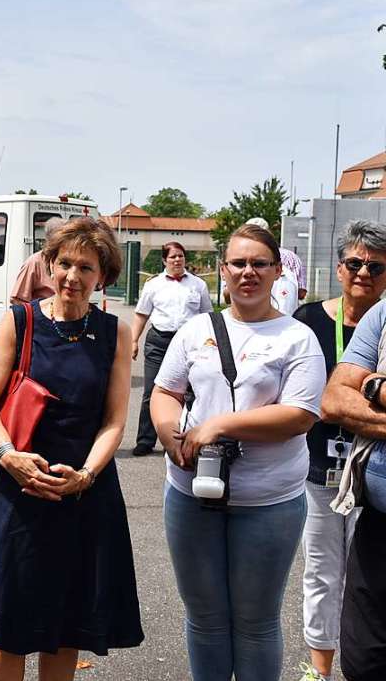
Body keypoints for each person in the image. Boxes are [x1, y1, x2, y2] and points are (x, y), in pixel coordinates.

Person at [0, 217, 143, 681]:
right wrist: (8, 456)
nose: (72, 277)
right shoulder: (20, 320)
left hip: (84, 492)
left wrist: (86, 474)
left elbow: (114, 420)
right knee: (10, 627)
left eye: (86, 267)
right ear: (48, 264)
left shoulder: (114, 332)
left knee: (67, 626)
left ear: (102, 276)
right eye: (64, 263)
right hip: (20, 488)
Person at [151, 223, 326, 681]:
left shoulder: (297, 337)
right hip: (191, 494)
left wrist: (219, 425)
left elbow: (299, 415)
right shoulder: (195, 330)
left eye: (259, 264)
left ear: (276, 272)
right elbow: (165, 391)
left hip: (267, 502)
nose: (248, 272)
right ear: (222, 271)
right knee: (204, 618)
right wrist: (171, 437)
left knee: (255, 622)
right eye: (238, 263)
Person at [293, 220, 386, 681]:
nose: (363, 272)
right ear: (339, 266)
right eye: (354, 262)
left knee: (365, 581)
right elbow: (316, 400)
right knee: (322, 572)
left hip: (370, 473)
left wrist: (356, 399)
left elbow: (339, 401)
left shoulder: (381, 326)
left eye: (376, 266)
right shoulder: (308, 320)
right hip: (319, 467)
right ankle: (319, 669)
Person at [319, 268, 386, 681]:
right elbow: (333, 400)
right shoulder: (382, 316)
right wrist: (372, 389)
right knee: (364, 661)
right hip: (378, 521)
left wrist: (374, 387)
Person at [130, 241, 212, 456]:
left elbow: (207, 317)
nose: (177, 260)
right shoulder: (154, 284)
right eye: (173, 256)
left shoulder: (198, 285)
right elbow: (141, 314)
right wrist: (133, 340)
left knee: (191, 393)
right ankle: (145, 441)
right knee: (151, 392)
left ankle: (186, 439)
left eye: (181, 256)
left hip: (189, 345)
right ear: (164, 260)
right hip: (159, 342)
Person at [10, 216, 65, 304]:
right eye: (65, 238)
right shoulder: (34, 262)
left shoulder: (68, 262)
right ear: (51, 239)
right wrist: (38, 314)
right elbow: (17, 299)